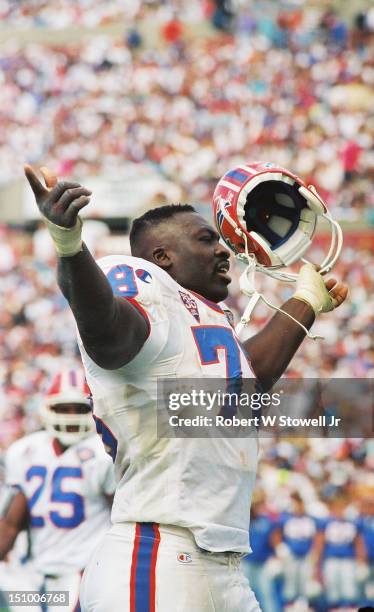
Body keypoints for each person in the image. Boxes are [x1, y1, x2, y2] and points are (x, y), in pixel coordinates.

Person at [24, 164, 348, 612]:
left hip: (219, 560)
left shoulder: (207, 320)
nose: (223, 250)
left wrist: (306, 303)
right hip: (160, 553)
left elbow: (244, 386)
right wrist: (71, 247)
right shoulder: (142, 282)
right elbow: (108, 330)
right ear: (161, 257)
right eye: (204, 239)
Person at [0, 368, 115, 612]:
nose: (71, 416)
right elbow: (12, 523)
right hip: (35, 575)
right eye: (63, 408)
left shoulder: (101, 452)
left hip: (81, 573)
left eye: (80, 409)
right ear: (48, 409)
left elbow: (122, 519)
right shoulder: (27, 450)